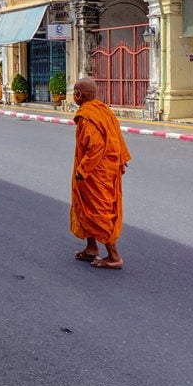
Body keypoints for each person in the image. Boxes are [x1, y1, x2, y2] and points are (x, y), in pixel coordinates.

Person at [71, 77, 131, 269]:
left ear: (79, 94)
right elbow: (116, 138)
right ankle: (91, 248)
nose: (74, 95)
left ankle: (114, 256)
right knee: (85, 206)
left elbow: (96, 147)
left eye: (75, 92)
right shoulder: (104, 110)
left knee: (99, 211)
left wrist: (83, 170)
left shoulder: (88, 115)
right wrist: (121, 159)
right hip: (106, 168)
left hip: (95, 172)